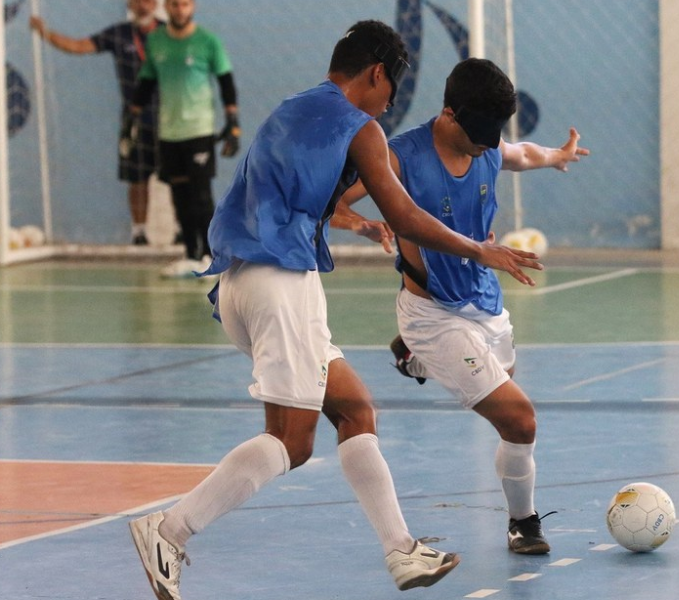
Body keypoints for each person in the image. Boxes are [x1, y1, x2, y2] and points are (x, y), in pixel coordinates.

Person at [127, 20, 543, 600]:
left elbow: (300, 194)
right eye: (392, 88)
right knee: (292, 442)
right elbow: (405, 215)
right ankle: (168, 530)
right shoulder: (363, 128)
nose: (392, 101)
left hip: (238, 281)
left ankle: (402, 552)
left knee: (354, 409)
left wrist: (344, 218)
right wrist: (479, 249)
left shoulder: (293, 108)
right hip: (282, 282)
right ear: (376, 75)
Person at [338, 57, 588, 556]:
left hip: (486, 304)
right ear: (449, 113)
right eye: (479, 131)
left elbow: (521, 153)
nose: (487, 143)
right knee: (520, 419)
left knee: (512, 414)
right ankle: (524, 522)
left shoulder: (488, 147)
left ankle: (415, 360)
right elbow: (338, 200)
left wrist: (556, 155)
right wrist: (362, 224)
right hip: (433, 313)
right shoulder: (399, 156)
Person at [30, 0, 163, 246]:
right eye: (138, 0)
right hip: (134, 117)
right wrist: (45, 34)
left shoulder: (169, 33)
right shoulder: (119, 34)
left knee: (178, 177)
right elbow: (79, 46)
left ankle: (183, 232)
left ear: (156, 4)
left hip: (170, 117)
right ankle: (139, 232)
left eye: (149, 0)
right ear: (130, 4)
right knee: (137, 177)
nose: (143, 5)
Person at [130, 0, 241, 276]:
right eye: (174, 5)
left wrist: (233, 123)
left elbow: (225, 81)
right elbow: (146, 82)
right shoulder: (155, 41)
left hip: (199, 131)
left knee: (200, 195)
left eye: (184, 4)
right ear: (166, 8)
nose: (180, 10)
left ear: (192, 7)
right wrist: (129, 119)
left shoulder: (207, 41)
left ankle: (210, 255)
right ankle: (191, 255)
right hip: (169, 132)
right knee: (179, 195)